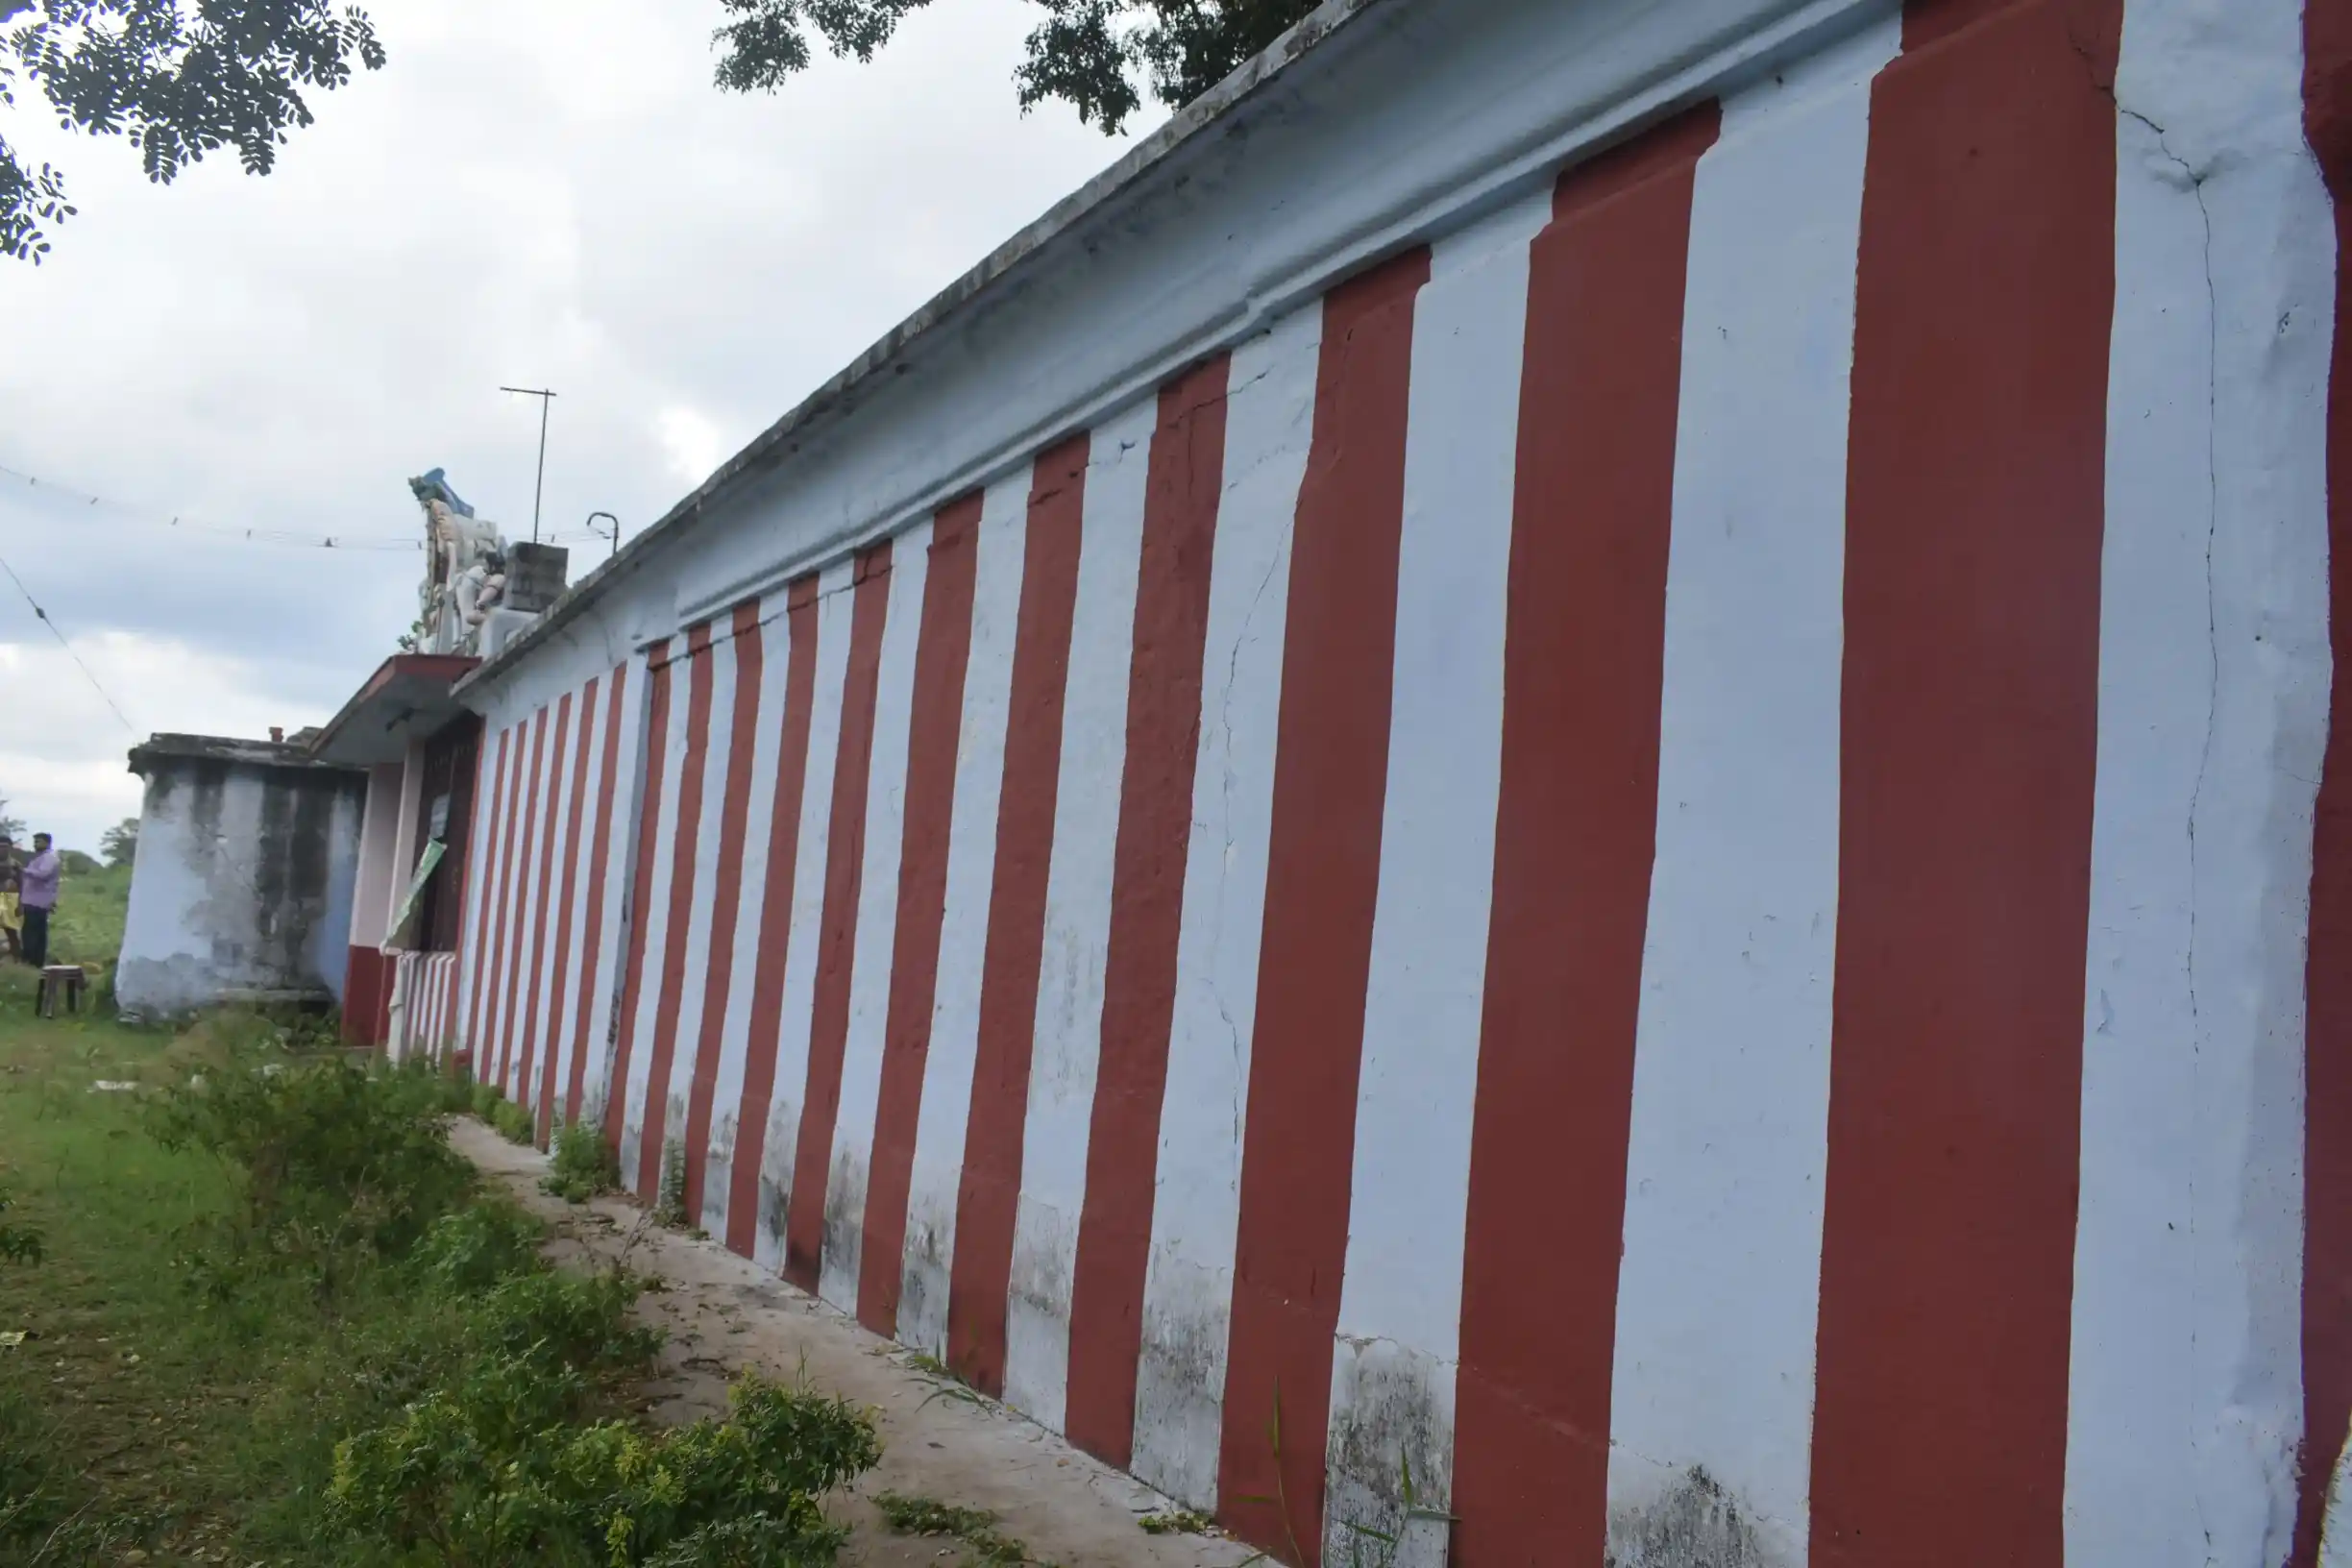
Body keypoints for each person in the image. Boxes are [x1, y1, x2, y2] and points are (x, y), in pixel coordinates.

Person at [18, 833, 59, 970]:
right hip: (33, 900)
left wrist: (23, 870)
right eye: (35, 841)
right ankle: (35, 961)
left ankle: (32, 961)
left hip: (38, 901)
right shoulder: (40, 858)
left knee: (32, 932)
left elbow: (43, 874)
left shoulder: (49, 858)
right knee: (34, 931)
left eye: (39, 842)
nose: (35, 844)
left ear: (47, 843)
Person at [0, 836, 18, 963]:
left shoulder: (15, 865)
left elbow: (23, 884)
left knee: (11, 931)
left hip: (9, 900)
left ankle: (17, 958)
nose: (2, 850)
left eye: (5, 847)